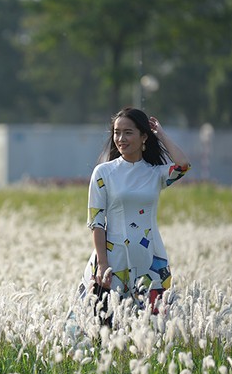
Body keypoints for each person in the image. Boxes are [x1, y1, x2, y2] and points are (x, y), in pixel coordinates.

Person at [78, 107, 191, 327]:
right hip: (113, 258)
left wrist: (162, 134)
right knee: (103, 327)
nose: (121, 138)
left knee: (153, 328)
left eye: (128, 132)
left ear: (143, 137)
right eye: (117, 132)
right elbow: (97, 222)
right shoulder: (103, 173)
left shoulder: (154, 174)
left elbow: (183, 165)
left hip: (149, 257)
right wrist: (102, 264)